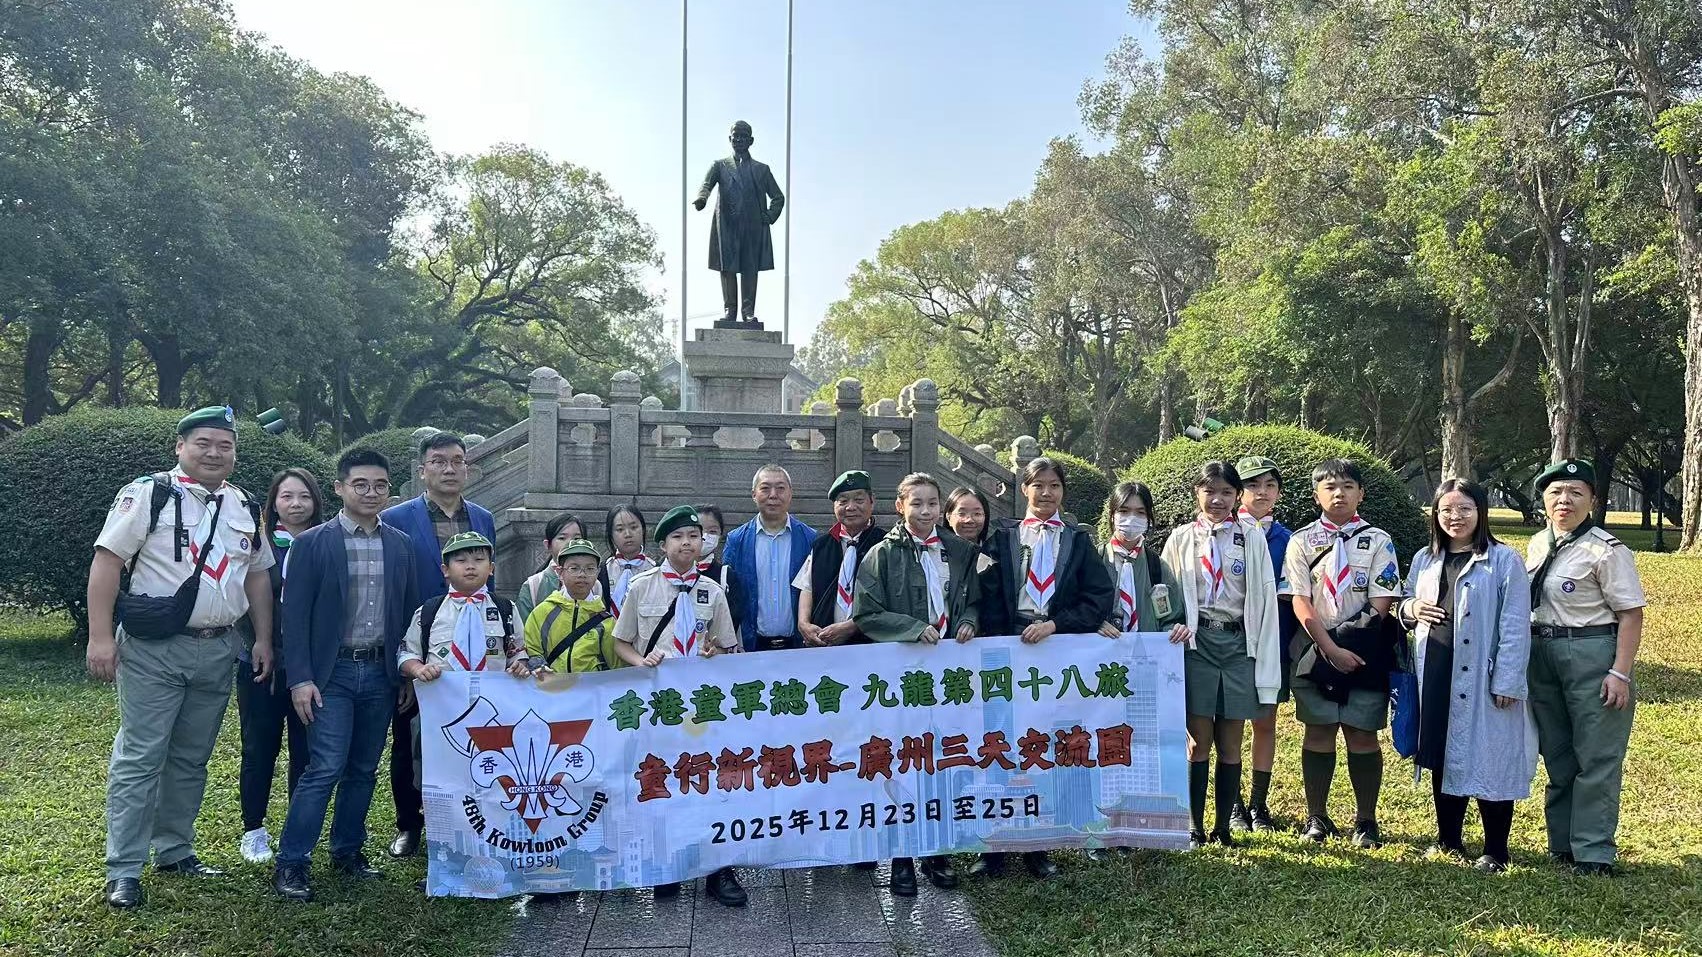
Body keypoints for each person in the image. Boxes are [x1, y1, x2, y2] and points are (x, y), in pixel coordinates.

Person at [87, 406, 277, 909]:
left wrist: (262, 638)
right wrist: (100, 637)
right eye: (203, 443)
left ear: (235, 452)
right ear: (180, 446)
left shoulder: (243, 503)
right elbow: (107, 561)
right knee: (141, 755)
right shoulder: (149, 493)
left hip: (218, 647)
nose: (214, 453)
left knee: (192, 757)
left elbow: (257, 574)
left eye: (225, 445)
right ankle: (124, 869)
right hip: (155, 649)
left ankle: (174, 849)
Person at [274, 448, 420, 902]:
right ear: (339, 488)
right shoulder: (312, 543)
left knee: (363, 768)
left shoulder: (399, 544)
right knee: (324, 768)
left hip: (380, 671)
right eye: (360, 484)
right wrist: (300, 678)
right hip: (329, 674)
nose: (371, 492)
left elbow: (409, 615)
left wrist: (405, 674)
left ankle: (347, 851)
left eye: (379, 485)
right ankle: (292, 862)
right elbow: (292, 619)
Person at [975, 456, 1114, 879]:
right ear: (1024, 489)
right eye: (1039, 485)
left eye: (1055, 485)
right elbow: (981, 591)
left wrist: (1055, 625)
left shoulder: (1078, 540)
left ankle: (1039, 846)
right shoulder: (1002, 537)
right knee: (1000, 747)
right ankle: (993, 846)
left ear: (1062, 491)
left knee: (1040, 747)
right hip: (1006, 649)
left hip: (1053, 653)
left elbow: (1098, 597)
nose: (1047, 493)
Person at [1398, 478, 1536, 873]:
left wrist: (1508, 679)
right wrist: (1411, 609)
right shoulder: (1426, 557)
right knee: (1440, 751)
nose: (1455, 517)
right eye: (1446, 511)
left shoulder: (1503, 560)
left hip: (1484, 675)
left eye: (1464, 509)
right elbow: (1405, 601)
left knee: (1491, 754)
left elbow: (1514, 624)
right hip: (1436, 669)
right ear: (1435, 515)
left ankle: (1496, 849)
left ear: (1481, 513)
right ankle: (1449, 840)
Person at [610, 505, 743, 905]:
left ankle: (719, 871)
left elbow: (730, 647)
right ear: (663, 544)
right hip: (659, 704)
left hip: (703, 707)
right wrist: (640, 661)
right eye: (678, 537)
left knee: (711, 782)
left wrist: (715, 651)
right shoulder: (641, 587)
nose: (687, 543)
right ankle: (665, 865)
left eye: (694, 535)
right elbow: (620, 641)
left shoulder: (713, 591)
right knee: (662, 780)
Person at [853, 473, 977, 894]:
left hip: (951, 673)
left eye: (932, 504)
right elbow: (867, 613)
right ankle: (902, 858)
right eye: (917, 503)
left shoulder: (959, 550)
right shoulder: (881, 555)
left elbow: (974, 600)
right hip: (904, 674)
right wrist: (909, 627)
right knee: (905, 759)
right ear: (899, 506)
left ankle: (936, 853)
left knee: (942, 757)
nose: (925, 511)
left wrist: (967, 621)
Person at [1524, 458, 1646, 876]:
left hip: (1591, 653)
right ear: (1544, 500)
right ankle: (1562, 842)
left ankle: (1593, 851)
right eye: (1556, 492)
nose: (1564, 500)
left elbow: (1630, 614)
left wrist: (1620, 671)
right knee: (1557, 753)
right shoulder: (1538, 543)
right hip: (1541, 654)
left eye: (1576, 492)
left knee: (1596, 755)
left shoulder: (1607, 550)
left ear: (1593, 500)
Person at [379, 432, 495, 859]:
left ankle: (471, 821)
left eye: (457, 461)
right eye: (439, 461)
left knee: (474, 741)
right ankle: (410, 824)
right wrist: (406, 668)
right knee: (411, 743)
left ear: (467, 468)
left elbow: (488, 585)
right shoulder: (398, 518)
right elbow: (394, 594)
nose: (449, 469)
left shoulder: (482, 517)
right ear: (423, 469)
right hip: (423, 651)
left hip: (476, 658)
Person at [1283, 458, 1403, 848]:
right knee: (1318, 731)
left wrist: (1348, 648)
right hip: (1315, 649)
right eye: (1330, 486)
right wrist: (1330, 649)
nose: (1339, 493)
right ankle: (1316, 816)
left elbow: (1382, 602)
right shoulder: (1301, 540)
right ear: (1316, 494)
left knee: (1362, 733)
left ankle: (1366, 820)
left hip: (1365, 652)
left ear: (1361, 493)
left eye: (1348, 486)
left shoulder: (1379, 539)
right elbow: (1300, 600)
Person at [1160, 461, 1281, 848]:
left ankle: (1223, 827)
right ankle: (1195, 826)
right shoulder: (1181, 538)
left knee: (1231, 740)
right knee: (1198, 740)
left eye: (1226, 492)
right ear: (1197, 493)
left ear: (1236, 496)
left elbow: (1262, 595)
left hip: (1236, 646)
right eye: (1210, 491)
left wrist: (1259, 645)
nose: (1217, 499)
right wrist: (1170, 628)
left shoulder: (1250, 536)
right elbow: (1164, 594)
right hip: (1197, 645)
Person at [237, 467, 321, 865]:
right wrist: (261, 640)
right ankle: (253, 829)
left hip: (311, 666)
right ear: (273, 503)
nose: (296, 504)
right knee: (259, 746)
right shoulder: (258, 545)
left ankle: (295, 829)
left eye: (304, 497)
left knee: (306, 753)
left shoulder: (326, 542)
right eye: (287, 497)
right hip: (262, 660)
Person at [1230, 455, 1299, 833]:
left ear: (1278, 492)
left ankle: (1258, 803)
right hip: (1233, 644)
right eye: (1253, 485)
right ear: (1240, 491)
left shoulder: (1287, 539)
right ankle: (1234, 802)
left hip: (1273, 643)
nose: (1261, 492)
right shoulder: (1224, 532)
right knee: (1232, 727)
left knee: (1265, 723)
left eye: (1269, 485)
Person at [691, 119, 786, 325]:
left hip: (752, 227)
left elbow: (778, 197)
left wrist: (769, 217)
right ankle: (730, 311)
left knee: (749, 269)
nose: (739, 140)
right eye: (736, 136)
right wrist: (702, 199)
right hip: (727, 225)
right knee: (728, 268)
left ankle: (748, 311)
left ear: (751, 140)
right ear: (730, 139)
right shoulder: (719, 165)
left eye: (744, 137)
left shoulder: (762, 170)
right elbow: (706, 185)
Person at [723, 465, 817, 650]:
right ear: (754, 494)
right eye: (765, 488)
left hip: (799, 646)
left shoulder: (810, 539)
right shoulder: (737, 540)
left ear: (790, 494)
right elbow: (728, 594)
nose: (773, 495)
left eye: (780, 488)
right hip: (751, 646)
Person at [796, 470, 882, 648]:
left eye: (859, 500)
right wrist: (803, 623)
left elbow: (892, 600)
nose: (850, 507)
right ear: (834, 505)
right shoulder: (821, 545)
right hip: (825, 645)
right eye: (843, 501)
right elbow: (807, 587)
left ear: (872, 501)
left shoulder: (885, 545)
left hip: (872, 645)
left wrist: (852, 627)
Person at [1097, 481, 1186, 637]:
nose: (1131, 519)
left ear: (1148, 518)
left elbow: (1171, 619)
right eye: (1124, 511)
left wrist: (1174, 632)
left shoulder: (1157, 567)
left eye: (1140, 512)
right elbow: (1077, 609)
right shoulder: (1095, 559)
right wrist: (1094, 623)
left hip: (1146, 656)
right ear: (1112, 516)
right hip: (1103, 655)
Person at [525, 538, 619, 673]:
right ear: (560, 572)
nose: (582, 574)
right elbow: (532, 650)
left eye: (590, 569)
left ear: (597, 573)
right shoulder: (542, 612)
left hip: (591, 690)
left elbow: (616, 666)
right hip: (551, 689)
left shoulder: (606, 621)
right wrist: (539, 667)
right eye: (574, 568)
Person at [515, 513, 587, 626]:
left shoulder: (595, 584)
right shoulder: (533, 586)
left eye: (577, 538)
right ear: (548, 545)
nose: (570, 543)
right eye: (562, 538)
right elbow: (524, 632)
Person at [599, 504, 654, 620]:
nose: (628, 534)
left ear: (643, 530)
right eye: (620, 529)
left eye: (634, 527)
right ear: (611, 535)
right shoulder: (602, 570)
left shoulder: (654, 570)